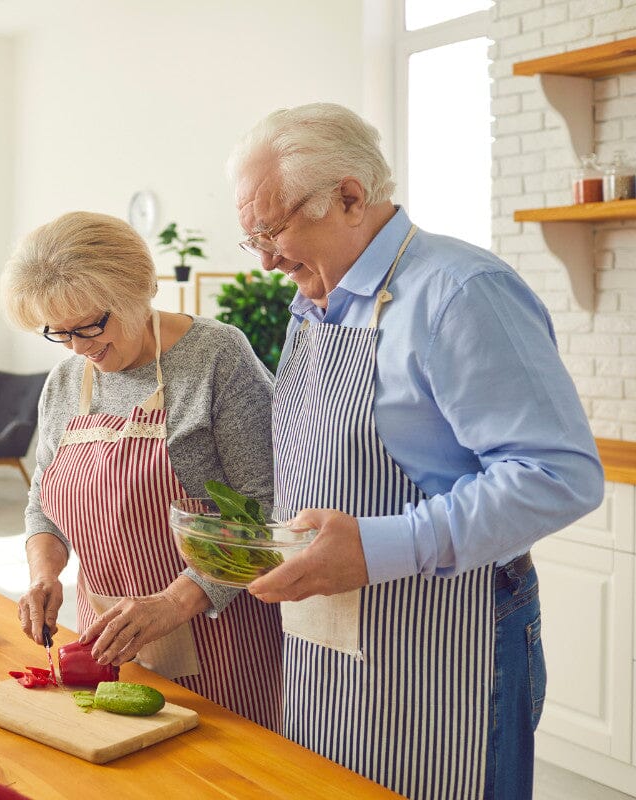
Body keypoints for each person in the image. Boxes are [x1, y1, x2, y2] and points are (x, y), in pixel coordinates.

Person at [228, 102, 604, 800]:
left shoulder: (460, 291)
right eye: (251, 236)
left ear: (349, 197)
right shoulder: (318, 303)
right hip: (331, 638)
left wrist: (375, 548)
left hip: (451, 635)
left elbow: (559, 476)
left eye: (273, 229)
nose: (266, 258)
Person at [0, 210, 282, 728]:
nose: (81, 348)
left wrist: (174, 602)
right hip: (106, 644)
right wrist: (44, 574)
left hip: (219, 640)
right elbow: (45, 503)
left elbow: (264, 510)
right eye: (60, 334)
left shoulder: (216, 356)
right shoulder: (65, 383)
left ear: (137, 289)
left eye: (91, 325)